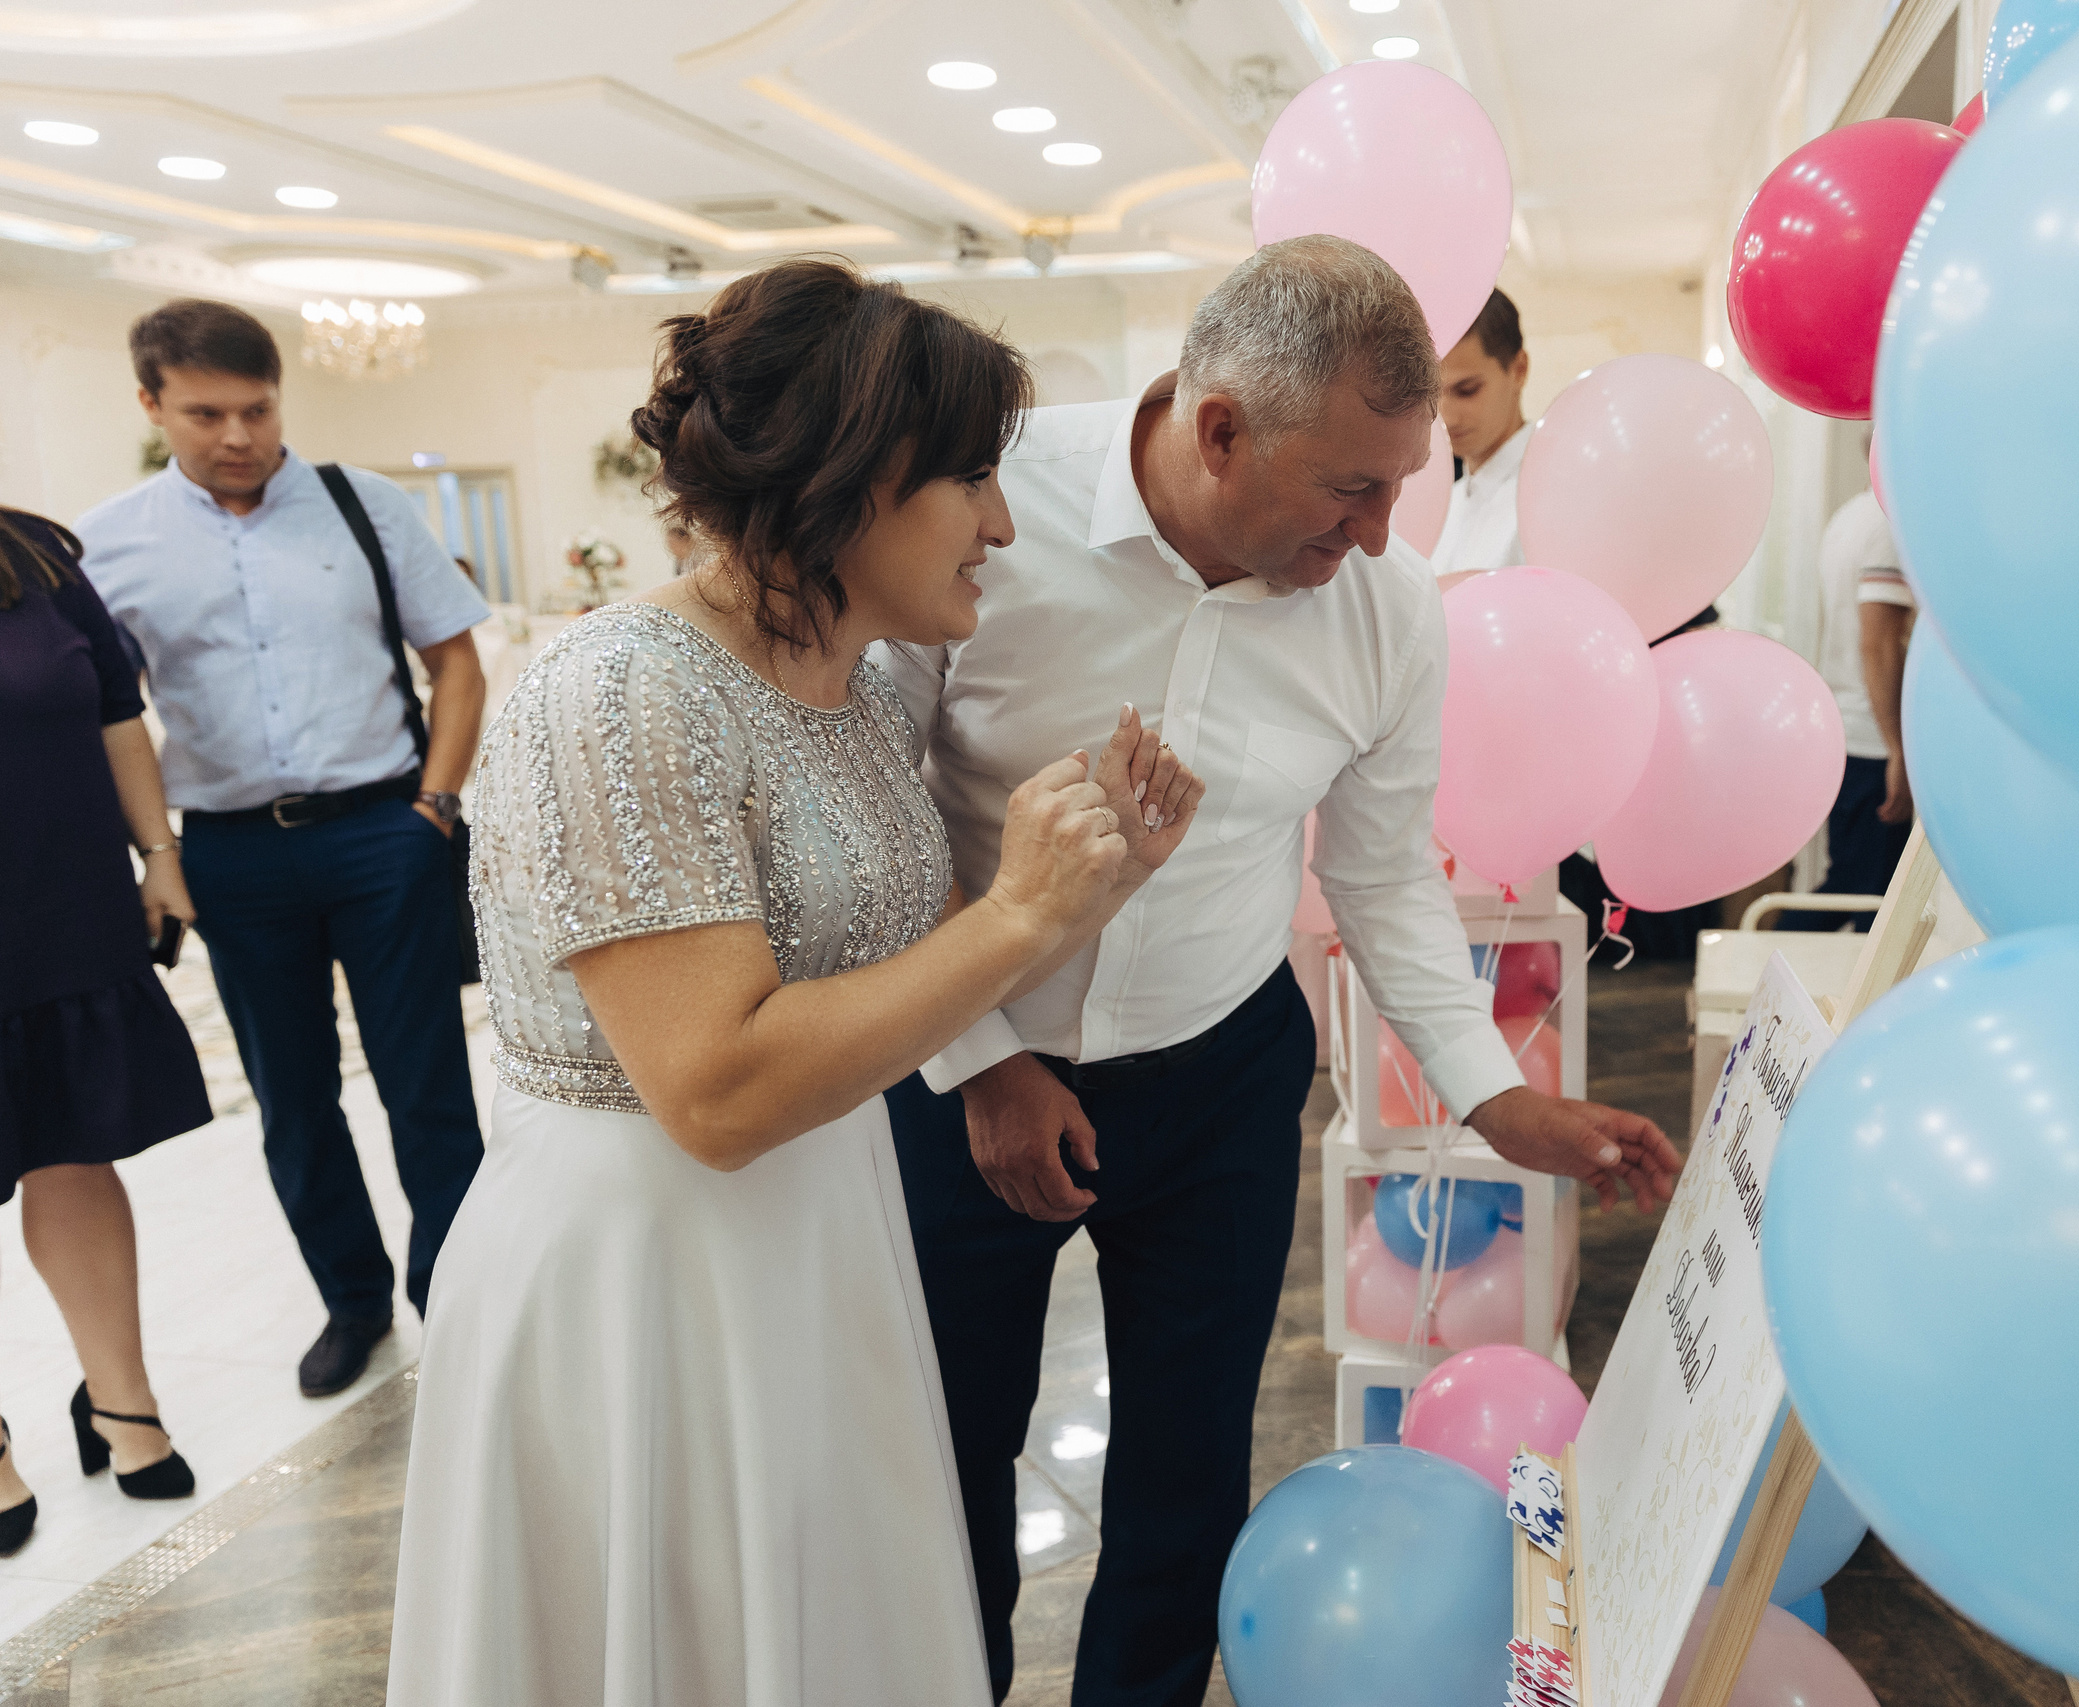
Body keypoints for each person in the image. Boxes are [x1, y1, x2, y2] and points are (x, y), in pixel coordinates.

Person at [878, 235, 1683, 1707]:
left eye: (1404, 485)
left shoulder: (1391, 612)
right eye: (1350, 491)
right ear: (1219, 430)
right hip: (962, 1068)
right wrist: (985, 1060)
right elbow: (879, 803)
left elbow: (1379, 876)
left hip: (1219, 1074)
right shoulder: (984, 506)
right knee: (943, 1463)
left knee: (1185, 1482)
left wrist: (1498, 1097)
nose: (1378, 537)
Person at [386, 258, 1201, 1706]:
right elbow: (714, 1090)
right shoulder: (624, 690)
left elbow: (880, 933)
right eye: (970, 480)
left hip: (824, 1219)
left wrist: (1086, 886)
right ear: (853, 480)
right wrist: (1020, 914)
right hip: (647, 1271)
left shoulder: (860, 688)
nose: (1003, 525)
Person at [78, 299, 490, 1400]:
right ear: (151, 403)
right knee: (293, 1100)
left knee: (427, 1084)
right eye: (206, 413)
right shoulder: (112, 542)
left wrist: (435, 808)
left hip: (385, 833)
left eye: (257, 410)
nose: (238, 435)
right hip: (232, 856)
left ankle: (460, 1297)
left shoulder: (363, 504)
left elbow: (456, 662)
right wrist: (153, 854)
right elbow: (108, 716)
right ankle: (352, 1302)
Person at [0, 510, 213, 1556]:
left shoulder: (36, 559)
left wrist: (159, 856)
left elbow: (119, 714)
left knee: (76, 1150)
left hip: (59, 909)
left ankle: (121, 1400)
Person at [1779, 463, 1918, 929]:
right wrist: (1897, 748)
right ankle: (1767, 963)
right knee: (1864, 894)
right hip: (1872, 737)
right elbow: (1878, 642)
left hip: (1847, 723)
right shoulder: (1888, 525)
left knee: (1857, 887)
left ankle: (1771, 960)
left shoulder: (1850, 516)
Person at [1427, 286, 1531, 578]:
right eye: (1431, 394)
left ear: (1518, 370)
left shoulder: (1552, 493)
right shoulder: (1443, 505)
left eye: (1467, 390)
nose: (1446, 416)